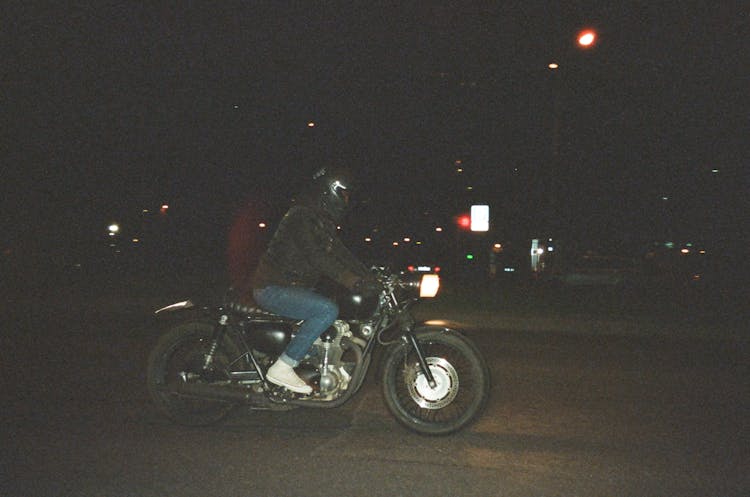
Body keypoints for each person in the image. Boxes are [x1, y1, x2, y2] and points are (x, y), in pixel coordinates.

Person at [252, 168, 377, 394]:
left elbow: (341, 254)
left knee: (335, 322)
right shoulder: (300, 216)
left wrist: (369, 275)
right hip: (272, 288)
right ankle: (283, 367)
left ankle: (314, 366)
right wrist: (351, 281)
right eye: (344, 194)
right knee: (326, 310)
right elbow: (316, 256)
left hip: (292, 288)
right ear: (328, 192)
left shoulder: (321, 222)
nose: (346, 201)